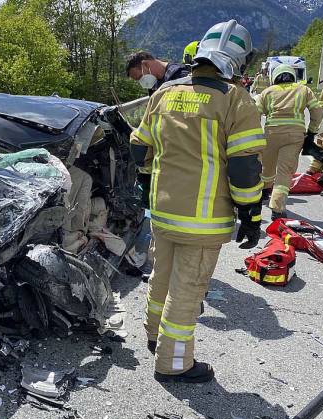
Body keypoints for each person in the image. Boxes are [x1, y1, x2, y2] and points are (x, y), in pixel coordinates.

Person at [129, 19, 265, 383]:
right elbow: (244, 167)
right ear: (239, 60)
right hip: (202, 220)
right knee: (187, 289)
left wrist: (148, 186)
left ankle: (154, 337)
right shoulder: (235, 99)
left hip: (162, 212)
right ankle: (173, 363)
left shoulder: (164, 93)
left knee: (161, 278)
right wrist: (251, 214)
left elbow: (138, 147)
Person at [255, 64, 323, 219]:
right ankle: (277, 209)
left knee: (267, 166)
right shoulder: (304, 90)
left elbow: (255, 113)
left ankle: (264, 191)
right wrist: (312, 131)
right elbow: (317, 112)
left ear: (274, 76)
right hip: (294, 136)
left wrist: (256, 134)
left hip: (271, 134)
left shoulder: (268, 92)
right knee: (285, 171)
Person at [125, 51, 190, 96]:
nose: (142, 82)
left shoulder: (179, 74)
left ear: (146, 64)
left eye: (140, 77)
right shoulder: (153, 86)